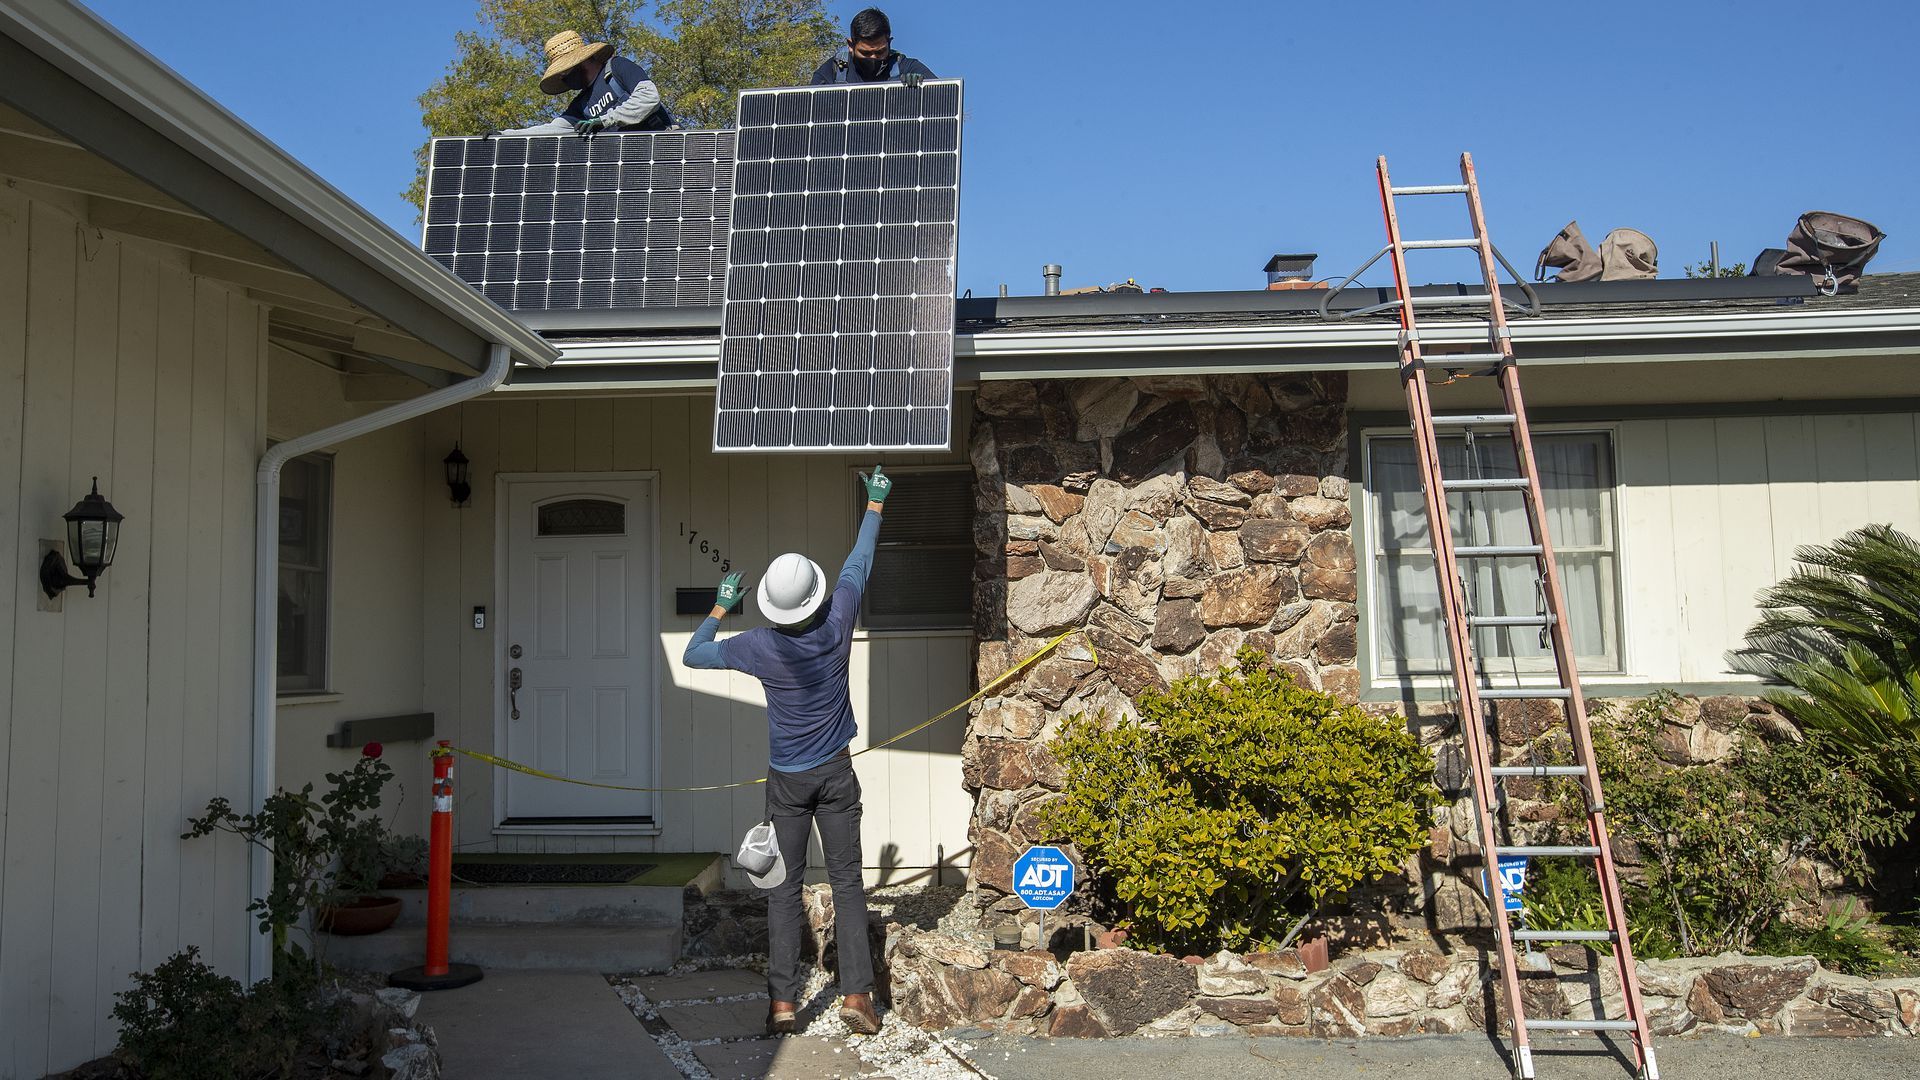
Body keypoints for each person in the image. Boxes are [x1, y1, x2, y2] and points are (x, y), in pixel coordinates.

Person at [683, 465, 894, 1036]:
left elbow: (694, 654)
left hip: (787, 782)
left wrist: (721, 604)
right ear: (814, 597)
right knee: (847, 883)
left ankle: (782, 1006)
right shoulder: (838, 620)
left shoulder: (758, 646)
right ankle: (857, 996)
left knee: (783, 888)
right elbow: (859, 563)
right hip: (836, 774)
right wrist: (875, 503)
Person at [501, 30, 672, 136]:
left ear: (581, 62)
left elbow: (648, 97)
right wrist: (504, 135)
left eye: (565, 71)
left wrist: (605, 120)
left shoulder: (617, 67)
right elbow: (552, 129)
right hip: (631, 159)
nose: (562, 78)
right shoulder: (581, 105)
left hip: (664, 145)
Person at [811, 8, 935, 87]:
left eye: (880, 52)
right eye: (865, 53)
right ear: (851, 45)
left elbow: (942, 99)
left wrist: (923, 87)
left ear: (889, 43)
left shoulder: (906, 67)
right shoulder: (834, 70)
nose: (873, 58)